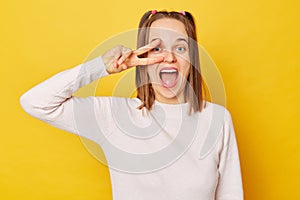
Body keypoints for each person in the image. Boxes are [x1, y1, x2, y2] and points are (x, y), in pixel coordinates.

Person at [20, 10, 243, 200]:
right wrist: (101, 66)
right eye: (157, 48)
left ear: (191, 59)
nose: (168, 57)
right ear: (143, 57)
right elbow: (35, 102)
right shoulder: (114, 117)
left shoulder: (217, 119)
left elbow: (231, 194)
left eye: (181, 48)